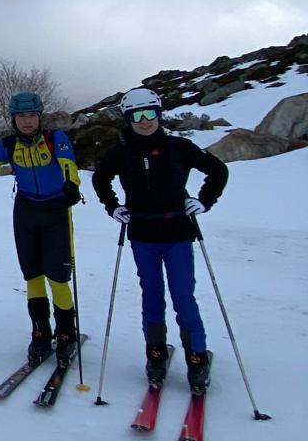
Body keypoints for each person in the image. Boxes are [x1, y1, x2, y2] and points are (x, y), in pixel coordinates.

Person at [91, 86, 227, 390]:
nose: (144, 120)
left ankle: (196, 358)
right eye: (136, 115)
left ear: (159, 114)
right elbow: (100, 179)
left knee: (183, 295)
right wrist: (113, 207)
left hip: (177, 232)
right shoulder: (121, 152)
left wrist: (204, 201)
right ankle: (155, 354)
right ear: (128, 119)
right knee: (151, 295)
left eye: (149, 113)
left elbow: (217, 170)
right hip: (142, 233)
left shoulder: (179, 147)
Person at [0, 92, 82, 366]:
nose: (27, 121)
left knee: (58, 277)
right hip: (26, 211)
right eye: (21, 116)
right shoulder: (8, 144)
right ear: (14, 119)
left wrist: (72, 185)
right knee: (33, 275)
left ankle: (66, 333)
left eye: (32, 116)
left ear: (40, 117)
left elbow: (68, 164)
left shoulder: (54, 138)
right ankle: (40, 331)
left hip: (55, 211)